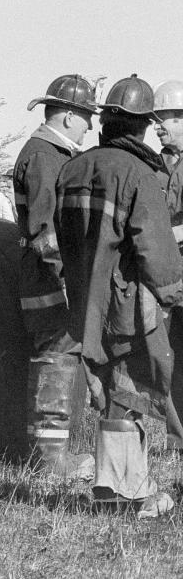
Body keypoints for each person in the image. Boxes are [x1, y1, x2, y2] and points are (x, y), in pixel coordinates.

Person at [57, 74, 181, 515]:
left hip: (84, 301)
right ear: (142, 125)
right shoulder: (139, 173)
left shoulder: (72, 168)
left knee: (110, 390)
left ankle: (112, 487)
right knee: (146, 388)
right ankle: (135, 491)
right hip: (128, 304)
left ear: (106, 120)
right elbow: (156, 251)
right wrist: (173, 294)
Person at [14, 74, 97, 478]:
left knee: (58, 355)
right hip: (49, 280)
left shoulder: (47, 153)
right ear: (67, 116)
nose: (90, 127)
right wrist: (65, 280)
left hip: (49, 276)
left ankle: (51, 454)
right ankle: (52, 464)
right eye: (86, 117)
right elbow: (46, 233)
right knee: (56, 358)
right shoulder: (46, 157)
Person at [152, 80, 183, 453]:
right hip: (172, 278)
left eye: (166, 118)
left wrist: (160, 235)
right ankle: (178, 440)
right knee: (173, 356)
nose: (158, 125)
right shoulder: (159, 166)